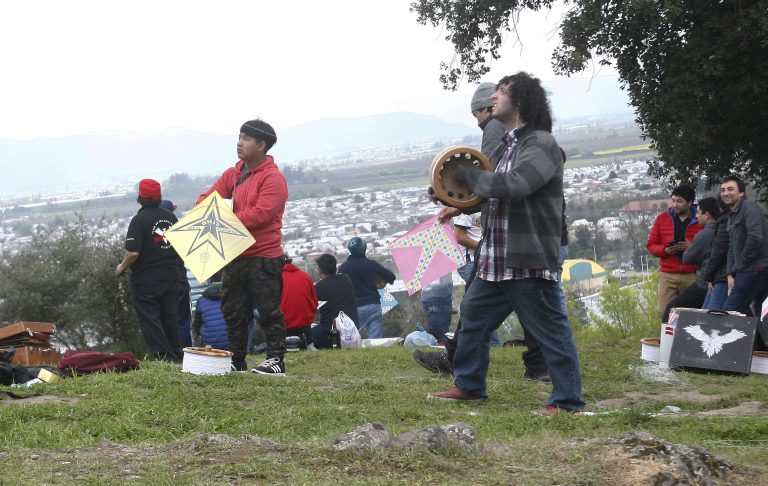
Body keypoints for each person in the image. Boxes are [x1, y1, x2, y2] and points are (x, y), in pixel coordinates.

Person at [426, 72, 584, 414]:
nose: (493, 97)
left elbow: (515, 185)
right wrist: (450, 193)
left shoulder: (541, 144)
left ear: (521, 101)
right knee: (473, 315)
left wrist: (469, 177)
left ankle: (568, 400)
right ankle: (469, 385)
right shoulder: (511, 145)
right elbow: (493, 194)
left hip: (526, 258)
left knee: (550, 328)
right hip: (495, 260)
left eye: (502, 91)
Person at [413, 81, 548, 381]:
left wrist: (451, 195)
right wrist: (457, 205)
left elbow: (489, 181)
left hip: (504, 236)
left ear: (486, 108)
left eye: (477, 114)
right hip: (518, 234)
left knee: (477, 304)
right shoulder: (522, 134)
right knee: (530, 307)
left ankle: (460, 363)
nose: (478, 121)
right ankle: (537, 366)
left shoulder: (494, 130)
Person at [196, 119, 288, 375]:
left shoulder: (273, 178)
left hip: (264, 256)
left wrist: (222, 218)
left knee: (269, 310)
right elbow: (206, 198)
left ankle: (276, 360)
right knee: (233, 310)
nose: (239, 142)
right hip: (234, 254)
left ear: (261, 145)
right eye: (239, 136)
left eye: (246, 138)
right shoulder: (232, 174)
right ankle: (237, 359)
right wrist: (209, 209)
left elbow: (262, 214)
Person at [116, 179, 183, 362]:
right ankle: (178, 355)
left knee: (150, 319)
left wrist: (121, 267)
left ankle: (164, 358)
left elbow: (133, 253)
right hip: (171, 275)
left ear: (140, 197)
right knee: (170, 317)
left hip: (146, 280)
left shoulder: (138, 220)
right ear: (159, 196)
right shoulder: (170, 217)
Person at [646, 185, 703, 316]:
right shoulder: (662, 219)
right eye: (674, 201)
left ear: (689, 202)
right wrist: (665, 250)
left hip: (692, 273)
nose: (675, 204)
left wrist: (691, 248)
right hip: (668, 272)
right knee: (664, 311)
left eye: (679, 201)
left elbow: (709, 246)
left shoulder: (700, 218)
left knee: (692, 313)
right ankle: (668, 336)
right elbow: (651, 244)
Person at [660, 197, 720, 322]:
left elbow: (688, 258)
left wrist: (689, 247)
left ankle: (668, 339)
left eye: (699, 212)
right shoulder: (725, 228)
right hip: (717, 282)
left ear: (707, 215)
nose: (697, 216)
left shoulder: (704, 234)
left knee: (672, 308)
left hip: (704, 283)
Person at [720, 175, 768, 314]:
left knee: (729, 312)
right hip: (747, 269)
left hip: (755, 269)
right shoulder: (732, 214)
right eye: (723, 190)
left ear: (741, 192)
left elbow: (755, 238)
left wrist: (738, 267)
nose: (725, 193)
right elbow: (731, 247)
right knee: (759, 314)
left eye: (730, 189)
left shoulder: (749, 209)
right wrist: (730, 273)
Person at [339, 236, 395, 339]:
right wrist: (380, 282)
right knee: (375, 340)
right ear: (364, 249)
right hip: (374, 305)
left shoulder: (343, 268)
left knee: (353, 339)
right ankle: (375, 354)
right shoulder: (372, 265)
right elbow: (391, 277)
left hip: (354, 308)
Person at [160, 199, 193, 348]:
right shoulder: (179, 230)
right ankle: (185, 353)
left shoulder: (153, 233)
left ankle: (169, 354)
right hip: (179, 279)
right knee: (183, 320)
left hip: (161, 282)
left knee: (165, 319)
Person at [313, 253, 360, 349]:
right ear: (335, 268)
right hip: (353, 329)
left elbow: (312, 310)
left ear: (319, 270)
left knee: (308, 335)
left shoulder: (317, 287)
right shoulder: (346, 279)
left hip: (329, 333)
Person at [281, 256, 319, 349]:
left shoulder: (274, 279)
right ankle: (310, 345)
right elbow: (315, 302)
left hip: (282, 327)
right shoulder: (305, 276)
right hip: (305, 326)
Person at [701, 199, 730, 309]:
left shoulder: (724, 224)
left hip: (721, 277)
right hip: (719, 276)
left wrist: (708, 276)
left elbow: (719, 252)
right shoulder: (724, 223)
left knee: (710, 314)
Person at [192, 273, 228, 350]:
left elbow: (196, 327)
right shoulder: (229, 299)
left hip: (208, 346)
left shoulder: (201, 300)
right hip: (229, 346)